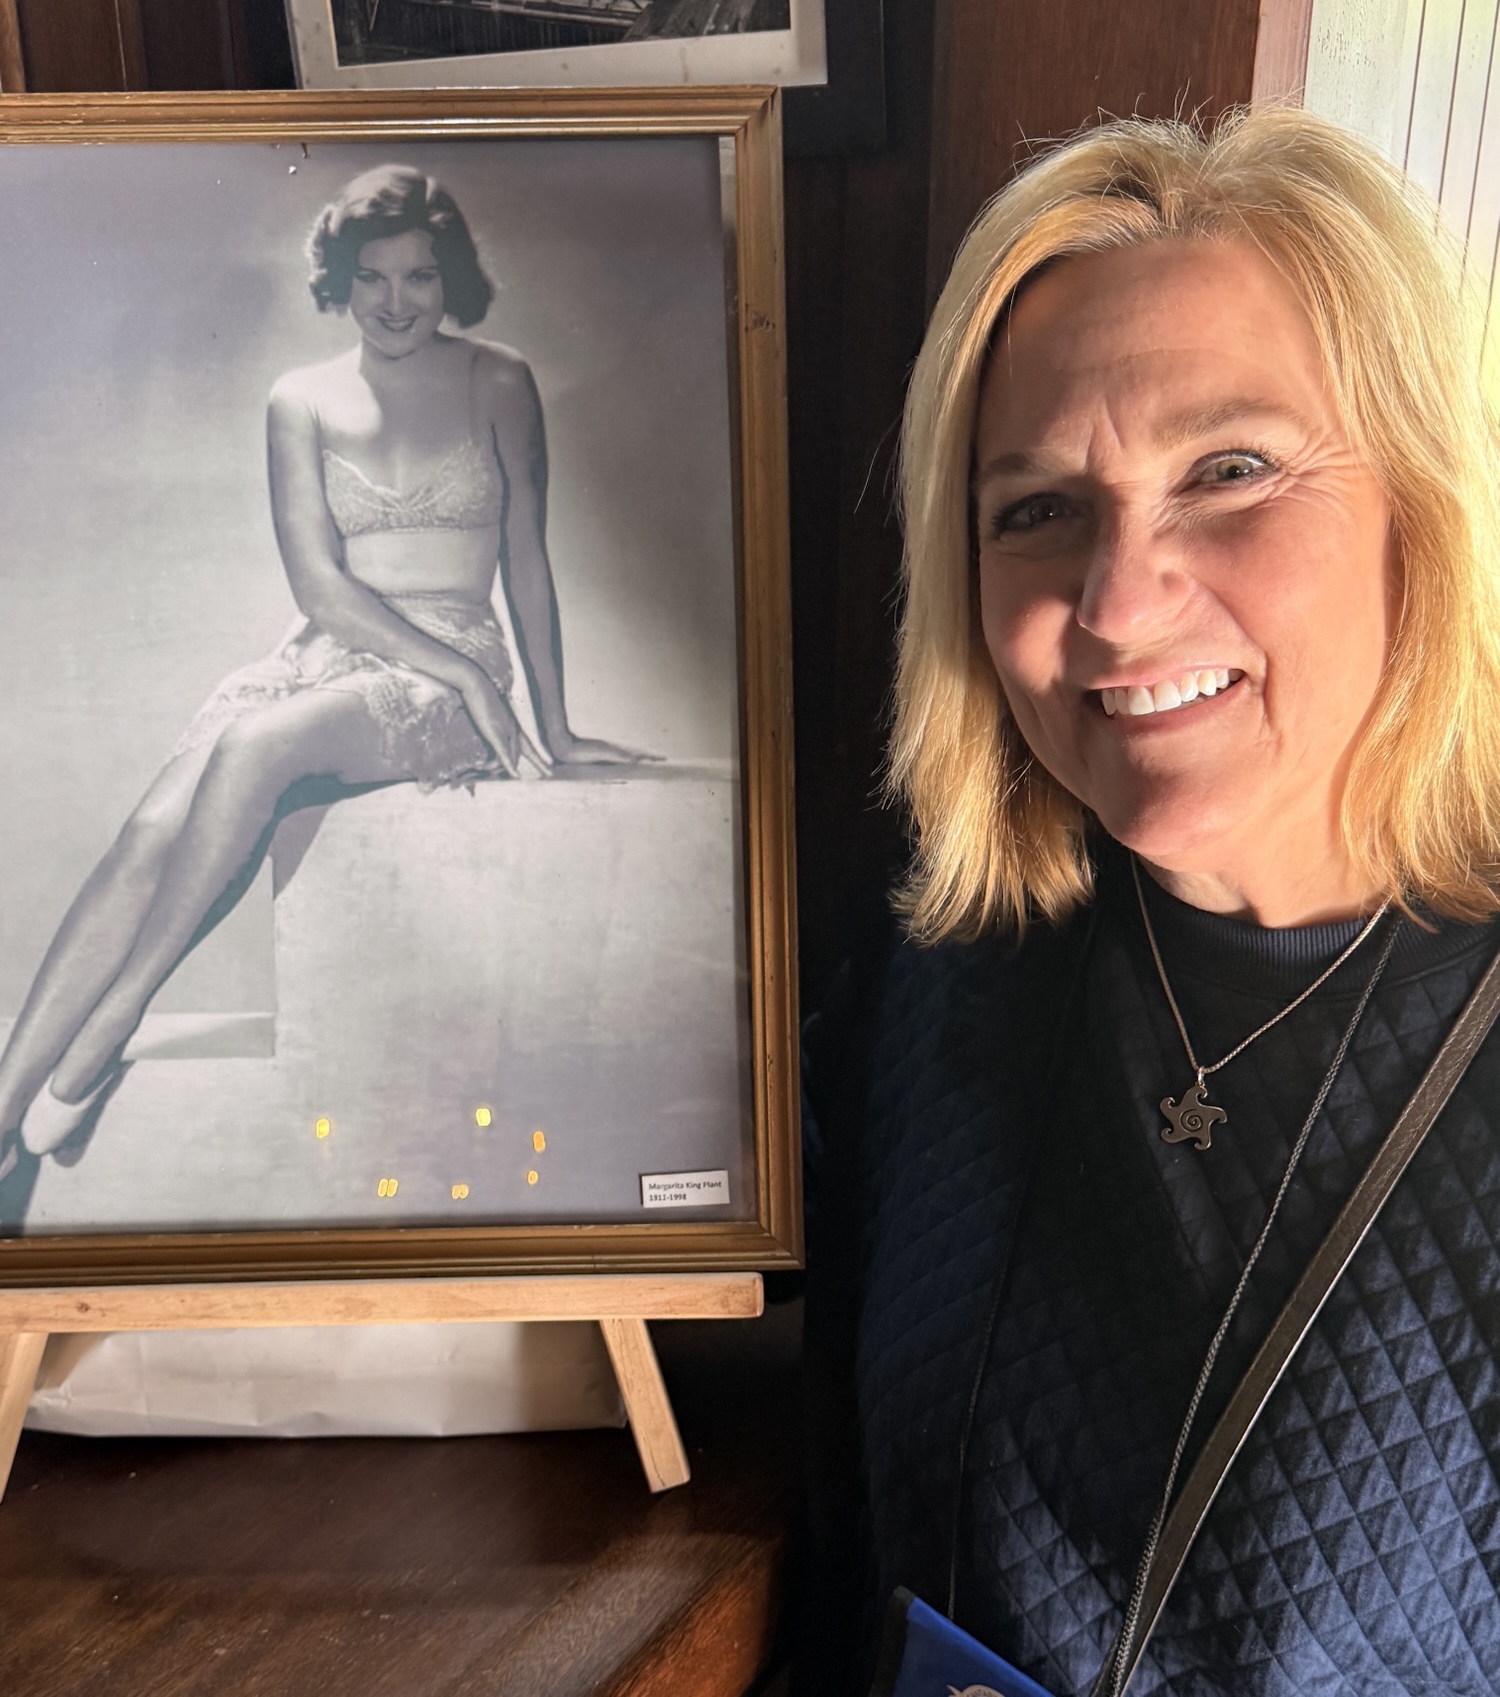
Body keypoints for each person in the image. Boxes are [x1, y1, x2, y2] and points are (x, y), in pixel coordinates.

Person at [800, 107, 1500, 1695]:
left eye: (1229, 470)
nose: (1116, 605)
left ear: (1428, 504)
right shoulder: (942, 972)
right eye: (1035, 508)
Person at [0, 164, 641, 1190]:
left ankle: (112, 1019)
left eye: (420, 276)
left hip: (449, 667)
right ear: (337, 280)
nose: (396, 303)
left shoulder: (499, 379)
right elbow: (320, 583)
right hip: (324, 649)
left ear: (451, 277)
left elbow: (528, 556)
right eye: (372, 277)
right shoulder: (297, 397)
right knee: (151, 829)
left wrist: (545, 722)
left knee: (257, 746)